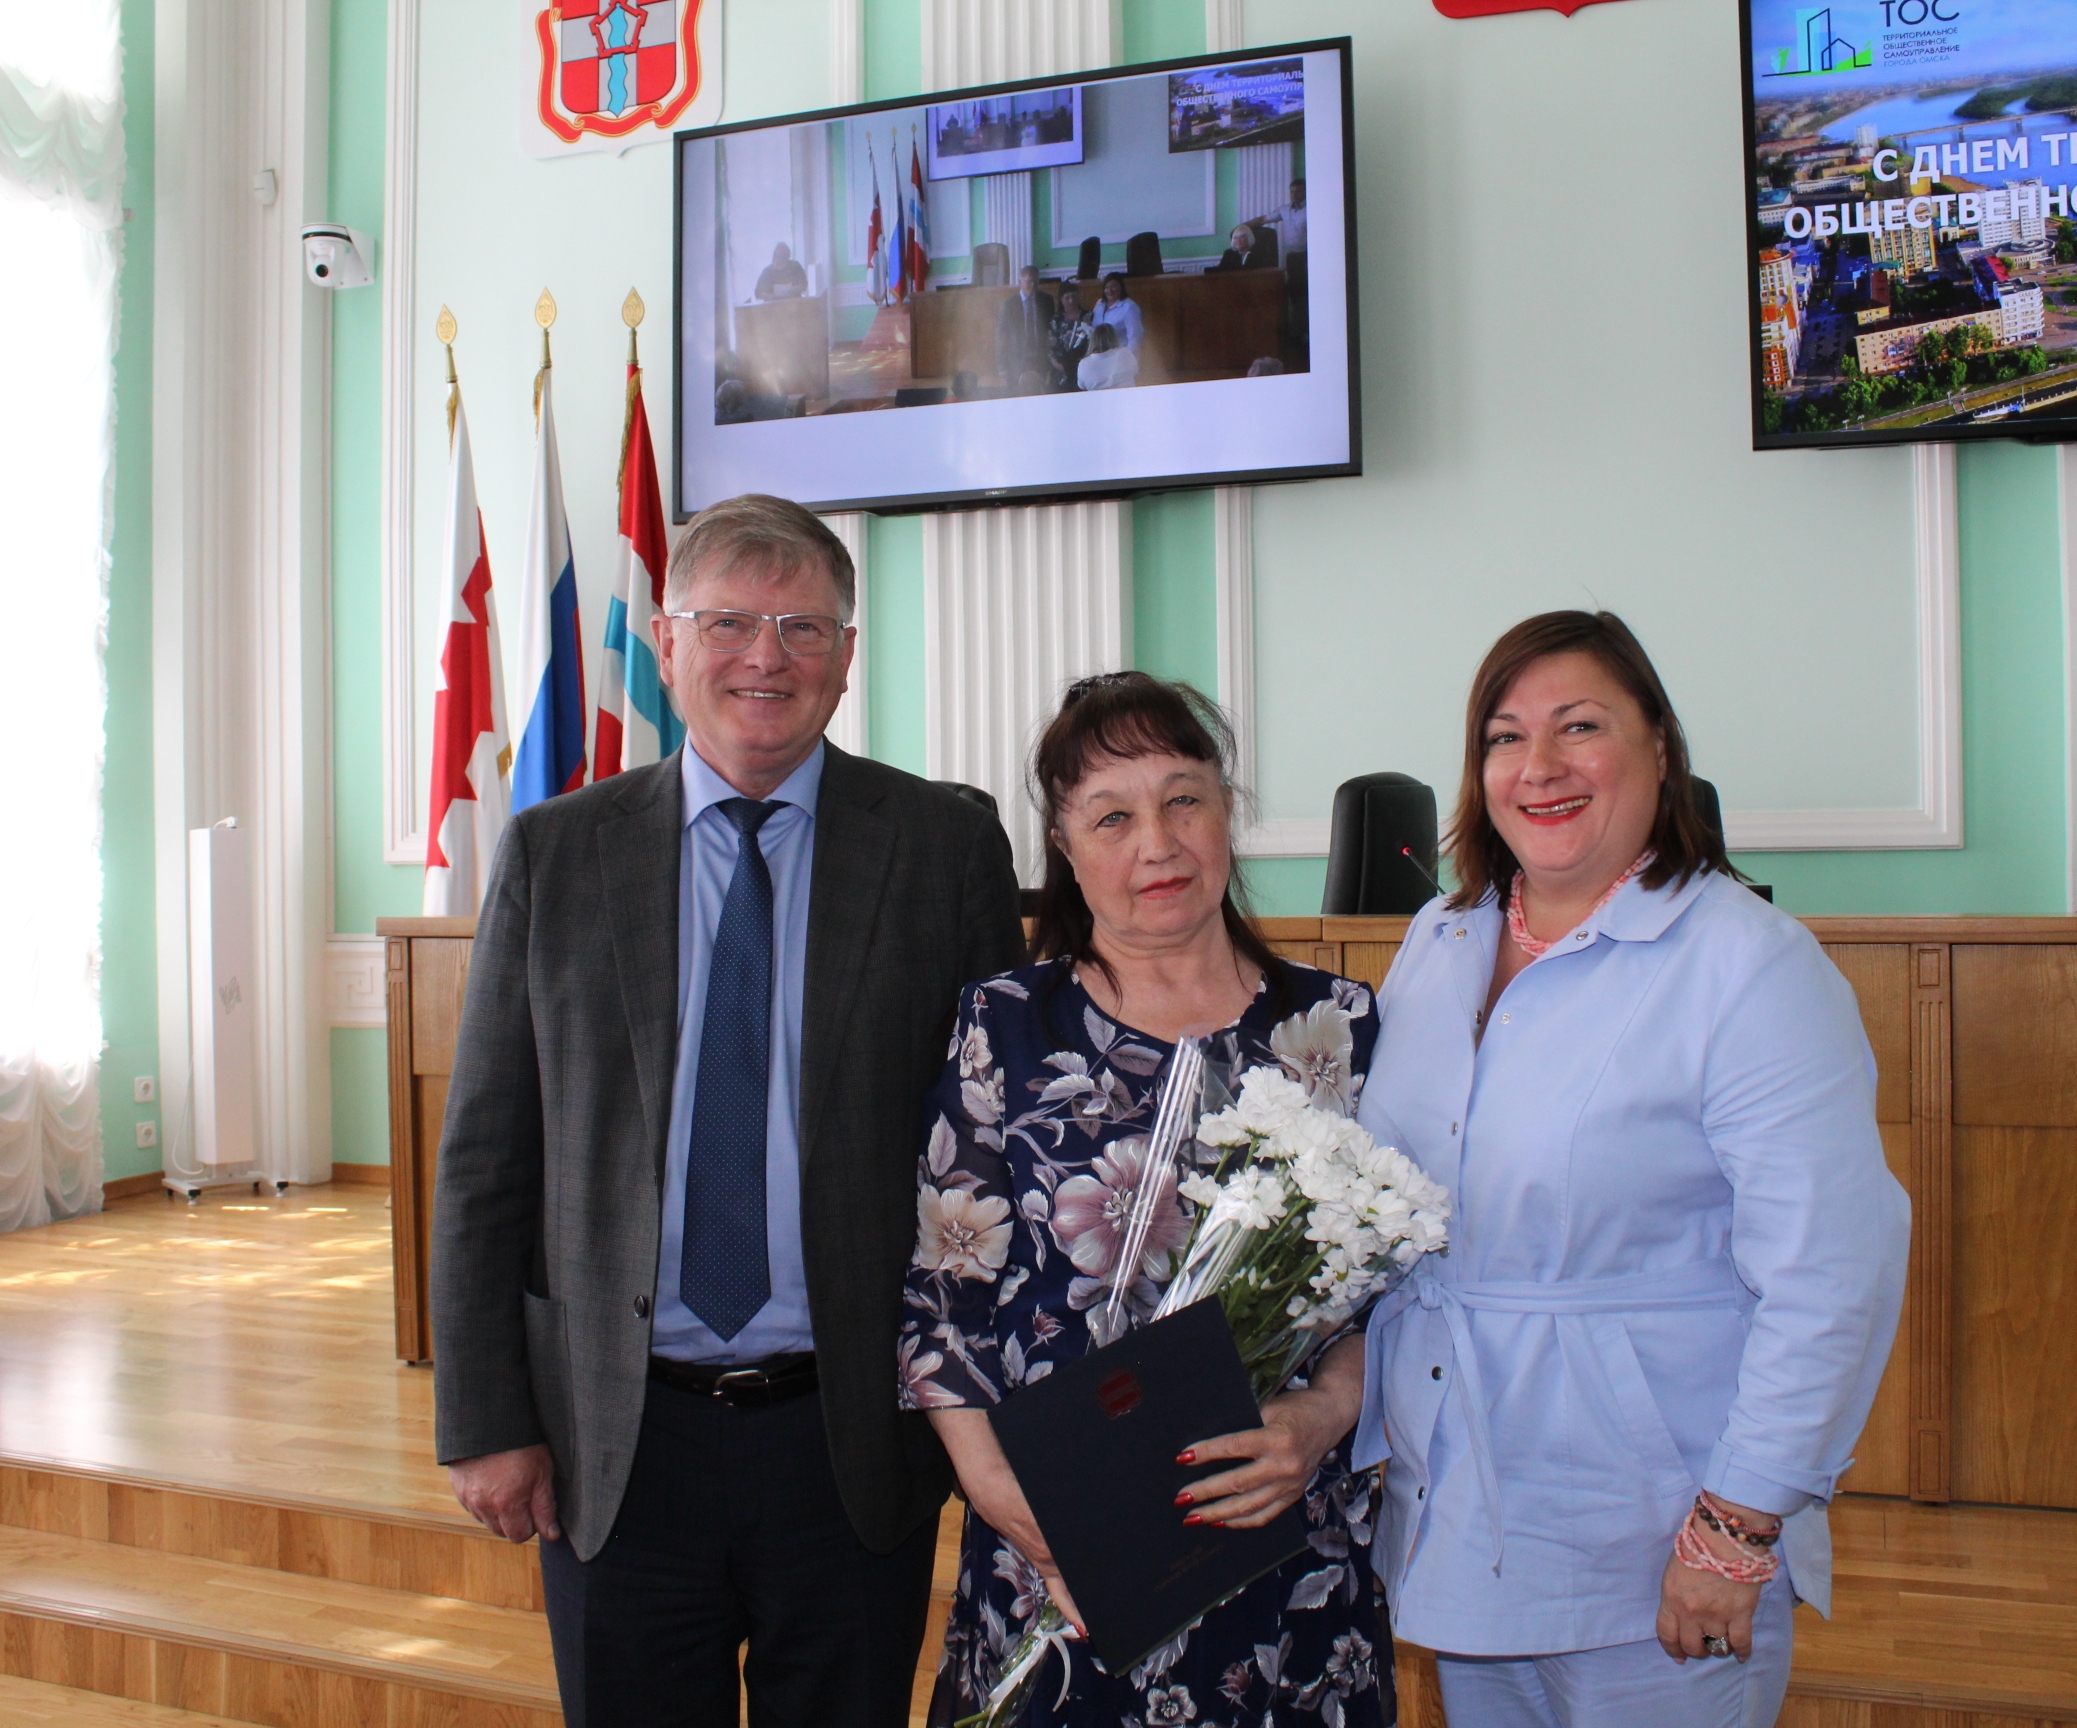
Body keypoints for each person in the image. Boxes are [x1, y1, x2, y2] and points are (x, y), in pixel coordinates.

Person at [431, 494, 1025, 1728]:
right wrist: (483, 1419)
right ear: (665, 641)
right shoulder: (554, 853)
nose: (767, 656)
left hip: (851, 1441)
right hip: (616, 1438)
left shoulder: (941, 848)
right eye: (729, 622)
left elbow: (993, 1150)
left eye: (803, 627)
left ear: (846, 658)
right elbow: (487, 1160)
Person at [1352, 610, 1909, 1728]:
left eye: (1580, 727)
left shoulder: (1747, 967)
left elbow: (1829, 1277)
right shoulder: (1439, 939)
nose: (1539, 766)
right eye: (1504, 737)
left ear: (1658, 744)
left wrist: (1738, 1522)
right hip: (1461, 1506)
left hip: (1654, 1536)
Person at [901, 671, 1392, 1728]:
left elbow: (1386, 1288)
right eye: (1112, 817)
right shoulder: (1004, 1026)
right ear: (1065, 847)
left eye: (1183, 800)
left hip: (1284, 1541)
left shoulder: (1338, 1028)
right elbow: (944, 1305)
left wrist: (1321, 1418)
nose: (1157, 844)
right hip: (1056, 1554)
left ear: (1228, 809)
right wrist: (1016, 1509)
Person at [996, 265, 1056, 391]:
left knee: (1040, 392)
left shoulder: (1046, 301)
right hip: (1016, 359)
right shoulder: (1008, 305)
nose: (1032, 285)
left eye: (1035, 281)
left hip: (1040, 358)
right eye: (1028, 281)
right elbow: (1001, 336)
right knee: (1017, 394)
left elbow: (1051, 328)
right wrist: (1002, 365)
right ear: (1020, 282)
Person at [1049, 283, 1093, 389]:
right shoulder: (1056, 319)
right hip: (1061, 369)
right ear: (1061, 299)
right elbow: (1050, 346)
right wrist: (1057, 365)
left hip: (1084, 368)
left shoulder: (1088, 317)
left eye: (1074, 296)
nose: (1071, 301)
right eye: (1067, 298)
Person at [1089, 271, 1144, 354]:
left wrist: (1130, 358)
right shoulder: (1099, 304)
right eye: (1106, 287)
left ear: (1121, 287)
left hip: (1119, 355)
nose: (1110, 290)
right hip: (1099, 355)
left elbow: (1135, 338)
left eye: (1113, 286)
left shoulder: (1129, 307)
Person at [1076, 322, 1139, 391]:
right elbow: (1135, 371)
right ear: (1114, 338)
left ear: (1093, 340)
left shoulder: (1084, 363)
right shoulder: (1125, 353)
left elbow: (1081, 385)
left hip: (1099, 398)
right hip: (1127, 396)